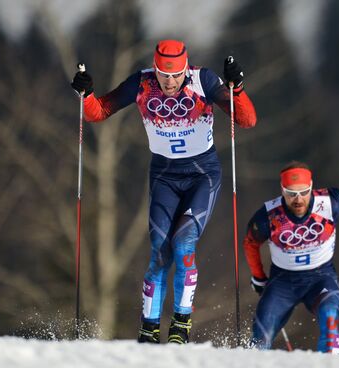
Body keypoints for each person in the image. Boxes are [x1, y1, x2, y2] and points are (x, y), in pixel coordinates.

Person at [70, 40, 257, 344]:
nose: (170, 82)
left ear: (186, 69)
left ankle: (180, 325)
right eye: (163, 75)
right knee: (159, 251)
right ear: (155, 70)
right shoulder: (142, 83)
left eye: (176, 75)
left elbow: (247, 120)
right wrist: (86, 94)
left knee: (183, 244)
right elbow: (98, 112)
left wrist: (237, 89)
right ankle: (149, 328)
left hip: (201, 175)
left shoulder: (203, 80)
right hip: (164, 176)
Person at [242, 161, 339, 353]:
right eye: (291, 193)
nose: (298, 199)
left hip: (320, 278)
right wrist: (258, 276)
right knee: (259, 339)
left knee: (330, 321)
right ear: (282, 190)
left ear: (311, 187)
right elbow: (250, 243)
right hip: (283, 282)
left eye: (304, 192)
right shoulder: (269, 215)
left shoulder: (328, 201)